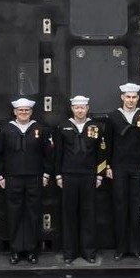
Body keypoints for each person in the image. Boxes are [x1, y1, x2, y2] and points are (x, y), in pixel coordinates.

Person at [0, 96, 51, 264]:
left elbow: (49, 154)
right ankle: (16, 250)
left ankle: (32, 250)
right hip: (12, 178)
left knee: (33, 214)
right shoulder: (5, 130)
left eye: (26, 110)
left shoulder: (40, 129)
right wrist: (0, 176)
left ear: (31, 112)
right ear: (15, 112)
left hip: (35, 178)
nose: (23, 113)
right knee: (14, 214)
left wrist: (46, 174)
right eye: (20, 111)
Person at [54, 94, 104, 264]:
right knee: (69, 214)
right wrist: (58, 175)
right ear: (72, 109)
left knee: (88, 213)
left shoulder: (95, 127)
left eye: (83, 107)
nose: (80, 110)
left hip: (89, 175)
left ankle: (89, 251)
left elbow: (101, 153)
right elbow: (58, 153)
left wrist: (99, 174)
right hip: (69, 175)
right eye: (77, 107)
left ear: (87, 109)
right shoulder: (63, 126)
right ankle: (69, 252)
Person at [103, 81, 140, 260]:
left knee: (137, 206)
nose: (131, 100)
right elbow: (107, 143)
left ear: (138, 98)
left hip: (138, 166)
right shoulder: (113, 117)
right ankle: (121, 248)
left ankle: (136, 247)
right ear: (122, 97)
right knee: (120, 205)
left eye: (134, 97)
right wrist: (107, 165)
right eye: (128, 97)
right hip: (119, 167)